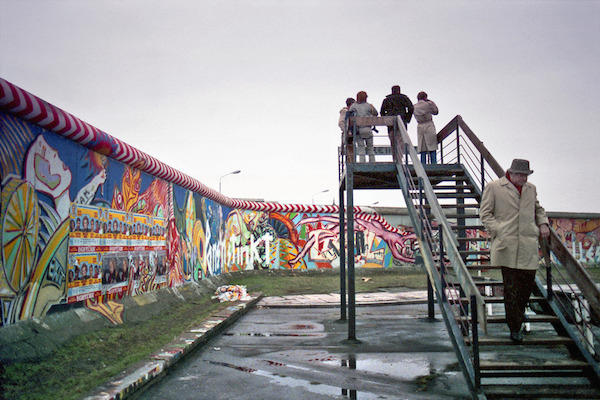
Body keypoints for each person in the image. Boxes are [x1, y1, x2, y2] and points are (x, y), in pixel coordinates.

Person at [479, 159, 550, 343]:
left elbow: (538, 208)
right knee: (510, 288)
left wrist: (542, 223)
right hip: (507, 245)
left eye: (527, 175)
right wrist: (499, 229)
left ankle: (517, 316)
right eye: (522, 175)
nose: (525, 178)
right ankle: (515, 327)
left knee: (526, 287)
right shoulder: (494, 188)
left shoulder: (530, 189)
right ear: (512, 173)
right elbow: (485, 214)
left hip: (527, 245)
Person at [349, 91, 378, 163]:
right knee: (370, 148)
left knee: (361, 148)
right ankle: (372, 162)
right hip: (368, 129)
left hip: (358, 130)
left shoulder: (353, 106)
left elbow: (349, 115)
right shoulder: (369, 106)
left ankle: (362, 162)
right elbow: (376, 113)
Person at [413, 91, 439, 164]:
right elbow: (436, 112)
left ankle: (423, 164)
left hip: (420, 126)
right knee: (432, 146)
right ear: (425, 97)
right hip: (429, 124)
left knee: (422, 147)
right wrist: (431, 102)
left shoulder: (414, 107)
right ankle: (434, 164)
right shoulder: (428, 104)